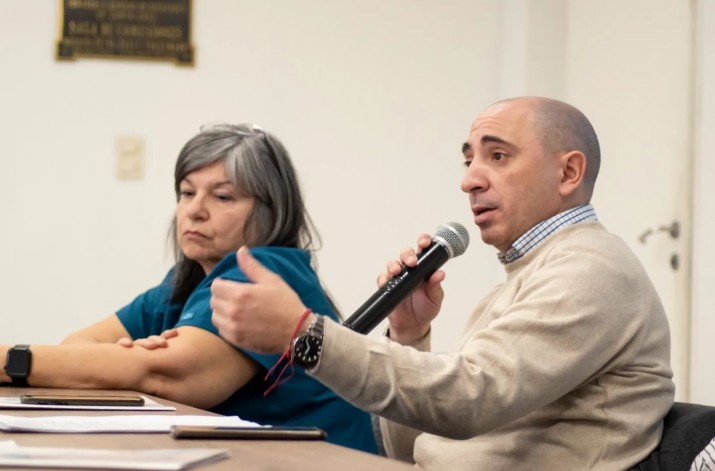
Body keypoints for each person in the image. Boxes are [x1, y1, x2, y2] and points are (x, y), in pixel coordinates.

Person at [209, 97, 675, 470]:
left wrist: (306, 334)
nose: (470, 180)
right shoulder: (528, 272)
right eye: (469, 160)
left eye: (498, 156)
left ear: (568, 172)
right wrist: (411, 336)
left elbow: (468, 401)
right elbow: (419, 445)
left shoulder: (590, 269)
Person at [0, 123, 377, 454]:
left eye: (222, 196)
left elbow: (172, 377)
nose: (195, 210)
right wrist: (127, 360)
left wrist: (8, 360)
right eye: (186, 192)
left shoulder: (265, 273)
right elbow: (76, 348)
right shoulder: (182, 284)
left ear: (270, 210)